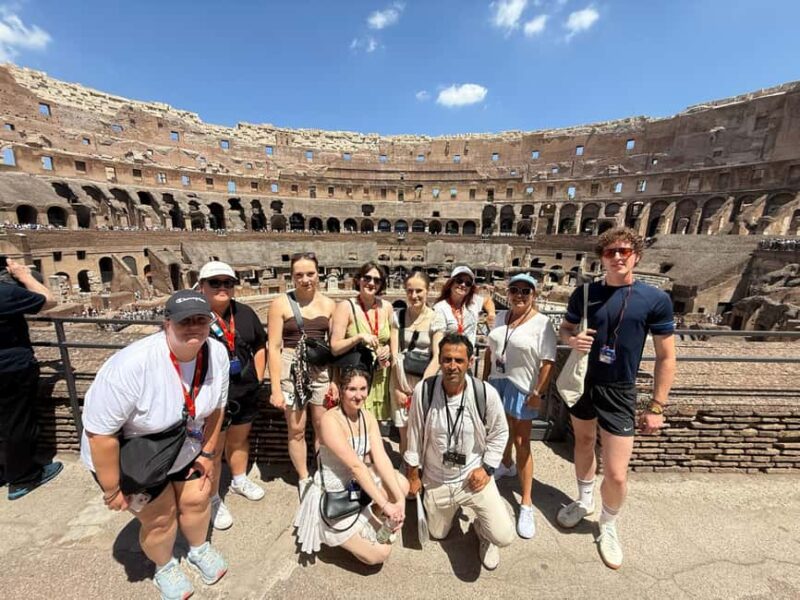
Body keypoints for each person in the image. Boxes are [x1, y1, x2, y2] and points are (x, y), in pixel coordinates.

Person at [81, 290, 229, 599]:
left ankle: (199, 549)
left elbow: (217, 409)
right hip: (134, 457)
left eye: (200, 320)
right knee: (160, 519)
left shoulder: (216, 353)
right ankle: (164, 567)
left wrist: (208, 453)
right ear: (166, 324)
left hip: (184, 445)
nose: (194, 327)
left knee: (197, 500)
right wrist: (112, 490)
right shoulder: (131, 366)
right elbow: (100, 435)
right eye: (184, 320)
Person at [557, 227, 676, 569]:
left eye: (624, 251)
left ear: (636, 255)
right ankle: (583, 501)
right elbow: (565, 329)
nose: (618, 257)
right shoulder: (584, 293)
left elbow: (667, 357)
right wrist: (571, 339)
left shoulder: (654, 299)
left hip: (620, 388)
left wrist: (657, 405)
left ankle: (607, 524)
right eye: (610, 252)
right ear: (602, 258)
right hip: (584, 382)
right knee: (582, 442)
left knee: (617, 473)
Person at [405, 333, 515, 571]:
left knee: (504, 535)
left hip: (471, 477)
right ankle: (451, 509)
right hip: (437, 479)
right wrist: (413, 476)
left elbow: (500, 433)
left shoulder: (485, 393)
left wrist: (486, 469)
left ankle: (484, 531)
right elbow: (413, 436)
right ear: (440, 361)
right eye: (446, 360)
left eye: (459, 360)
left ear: (470, 361)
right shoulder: (424, 392)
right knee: (437, 533)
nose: (452, 366)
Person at [293, 368, 409, 564]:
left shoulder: (367, 417)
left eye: (363, 388)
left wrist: (400, 501)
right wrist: (386, 504)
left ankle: (368, 518)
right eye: (351, 389)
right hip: (336, 494)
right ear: (341, 390)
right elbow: (356, 466)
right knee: (380, 555)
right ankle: (347, 532)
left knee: (401, 484)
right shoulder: (330, 420)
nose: (358, 395)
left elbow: (381, 459)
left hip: (356, 485)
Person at [482, 273, 557, 539]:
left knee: (523, 440)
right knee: (500, 431)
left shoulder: (542, 323)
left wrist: (538, 391)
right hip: (497, 381)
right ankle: (505, 464)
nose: (519, 295)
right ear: (509, 293)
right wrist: (484, 382)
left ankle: (525, 503)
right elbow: (491, 353)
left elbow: (548, 361)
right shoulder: (501, 318)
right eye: (515, 290)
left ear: (534, 294)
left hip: (523, 386)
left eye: (526, 291)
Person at [198, 261, 267, 531]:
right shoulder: (195, 315)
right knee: (212, 449)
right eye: (215, 283)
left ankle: (238, 479)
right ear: (202, 286)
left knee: (239, 440)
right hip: (211, 398)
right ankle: (213, 498)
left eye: (228, 282)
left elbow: (260, 345)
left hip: (244, 391)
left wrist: (258, 377)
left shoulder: (245, 313)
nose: (223, 287)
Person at [267, 253, 336, 496]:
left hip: (320, 370)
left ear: (319, 274)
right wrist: (275, 388)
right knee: (296, 429)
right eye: (299, 275)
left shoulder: (329, 305)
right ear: (292, 277)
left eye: (310, 274)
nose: (305, 279)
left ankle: (321, 471)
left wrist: (335, 380)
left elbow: (334, 345)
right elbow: (274, 347)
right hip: (290, 365)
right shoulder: (280, 304)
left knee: (322, 426)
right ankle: (304, 477)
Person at [0, 258, 61, 500]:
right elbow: (49, 300)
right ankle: (23, 478)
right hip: (9, 368)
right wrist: (24, 275)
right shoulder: (5, 293)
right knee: (18, 422)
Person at [330, 262, 397, 423]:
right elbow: (334, 348)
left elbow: (391, 340)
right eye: (367, 278)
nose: (372, 283)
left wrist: (387, 349)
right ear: (359, 279)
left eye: (377, 280)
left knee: (374, 426)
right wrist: (358, 337)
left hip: (380, 374)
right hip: (356, 375)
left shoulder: (387, 307)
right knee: (354, 425)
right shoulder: (346, 307)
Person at [390, 271, 439, 456]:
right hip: (402, 379)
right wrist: (397, 388)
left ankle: (423, 471)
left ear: (428, 291)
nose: (414, 296)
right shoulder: (398, 317)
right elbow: (394, 354)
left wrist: (421, 390)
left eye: (419, 290)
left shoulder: (436, 318)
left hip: (425, 381)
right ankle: (406, 468)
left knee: (424, 431)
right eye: (410, 291)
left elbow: (437, 356)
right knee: (405, 433)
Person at [431, 266, 490, 352]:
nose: (463, 285)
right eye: (459, 281)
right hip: (449, 358)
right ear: (451, 283)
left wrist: (491, 313)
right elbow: (438, 338)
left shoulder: (473, 303)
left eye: (468, 283)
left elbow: (488, 300)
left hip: (467, 359)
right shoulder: (440, 308)